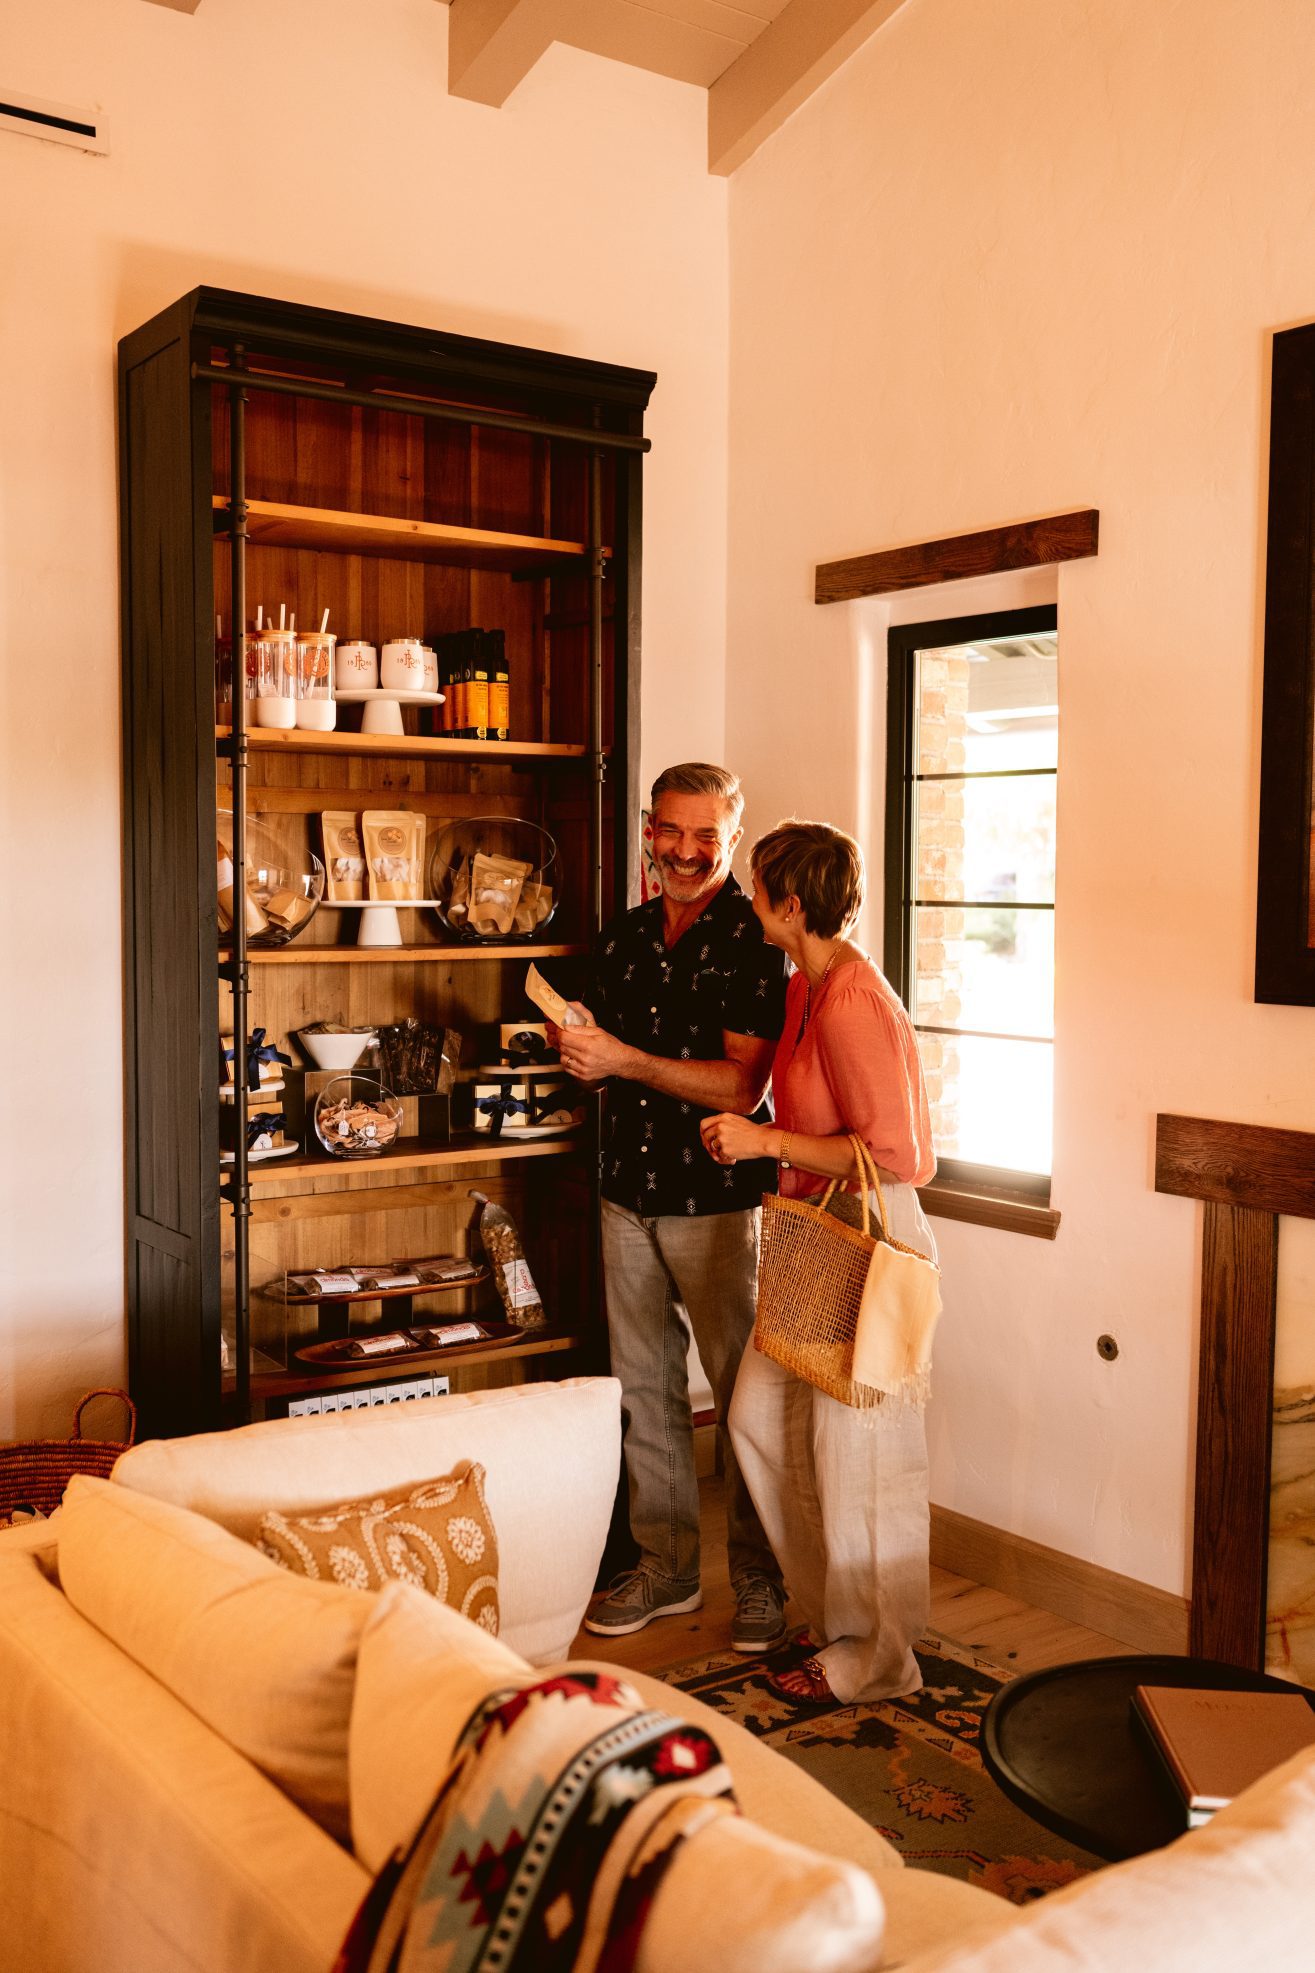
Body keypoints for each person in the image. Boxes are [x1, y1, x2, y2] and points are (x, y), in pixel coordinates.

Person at [549, 762, 789, 1651]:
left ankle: (763, 1581)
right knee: (644, 1396)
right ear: (648, 829)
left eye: (705, 836)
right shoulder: (623, 935)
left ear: (731, 835)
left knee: (746, 1401)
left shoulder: (754, 937)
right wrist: (574, 1038)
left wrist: (623, 1061)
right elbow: (600, 1037)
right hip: (625, 1191)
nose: (685, 852)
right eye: (671, 831)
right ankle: (668, 1569)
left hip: (717, 1201)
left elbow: (743, 1085)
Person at [700, 818, 937, 1707]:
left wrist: (762, 1137)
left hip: (870, 1238)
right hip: (812, 1235)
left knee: (859, 1455)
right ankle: (835, 1612)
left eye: (756, 886)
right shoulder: (804, 986)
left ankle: (876, 1655)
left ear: (789, 904)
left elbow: (899, 1157)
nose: (746, 898)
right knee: (759, 1420)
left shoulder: (848, 999)